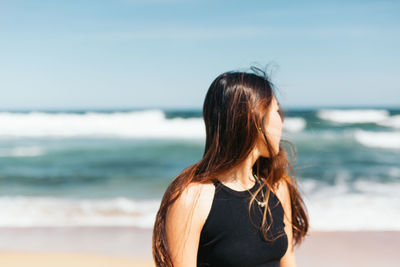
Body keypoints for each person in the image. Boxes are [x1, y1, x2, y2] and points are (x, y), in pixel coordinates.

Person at [152, 66, 309, 267]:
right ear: (255, 119)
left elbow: (288, 263)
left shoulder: (276, 187)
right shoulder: (192, 199)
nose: (282, 122)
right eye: (276, 111)